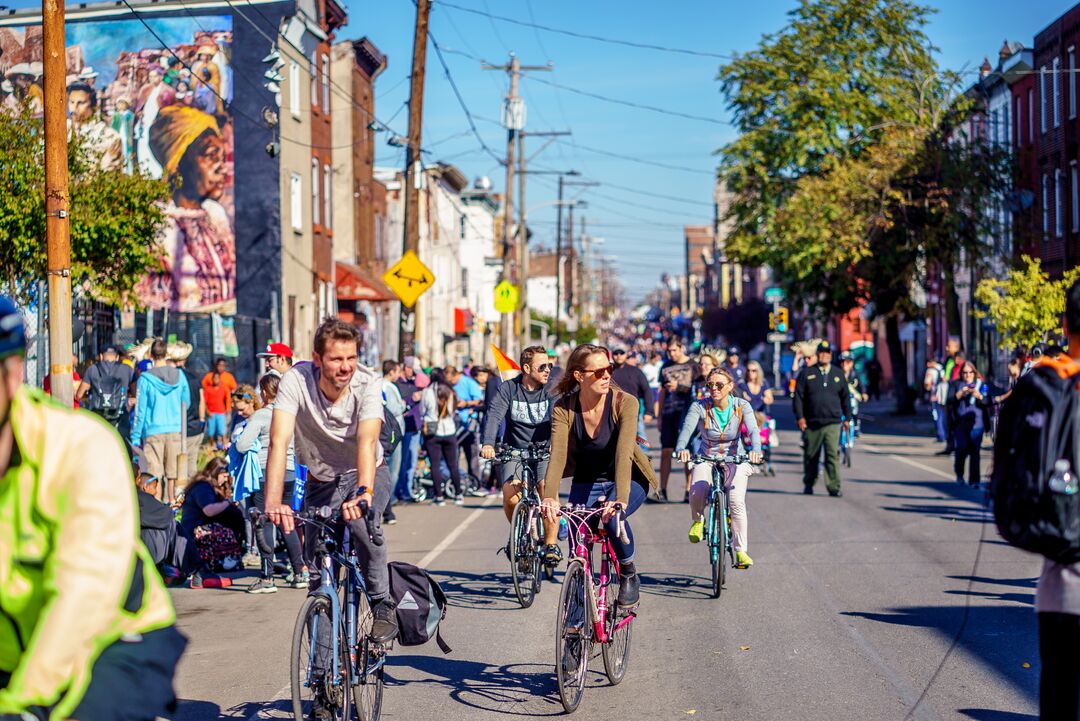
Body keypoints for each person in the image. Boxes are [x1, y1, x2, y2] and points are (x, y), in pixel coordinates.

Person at [0, 296, 185, 721]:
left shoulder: (78, 447)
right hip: (15, 646)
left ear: (12, 376)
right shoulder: (141, 374)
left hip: (112, 636)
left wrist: (23, 706)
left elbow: (82, 594)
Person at [264, 318, 398, 646]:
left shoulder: (367, 382)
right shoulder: (295, 379)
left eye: (351, 358)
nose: (345, 367)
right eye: (337, 359)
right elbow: (278, 441)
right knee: (318, 571)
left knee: (363, 525)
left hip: (365, 471)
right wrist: (272, 500)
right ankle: (324, 680)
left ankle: (382, 601)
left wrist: (364, 492)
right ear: (317, 358)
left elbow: (367, 441)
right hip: (321, 480)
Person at [542, 344, 658, 607]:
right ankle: (577, 612)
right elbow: (557, 455)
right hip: (587, 479)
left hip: (627, 476)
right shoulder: (564, 408)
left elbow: (623, 453)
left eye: (609, 369)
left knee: (613, 519)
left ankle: (628, 573)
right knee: (577, 541)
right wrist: (550, 498)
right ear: (579, 375)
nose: (607, 375)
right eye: (599, 371)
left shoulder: (625, 402)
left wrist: (618, 499)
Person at [675, 367, 762, 568]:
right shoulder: (699, 406)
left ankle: (740, 551)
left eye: (719, 385)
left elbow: (753, 431)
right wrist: (681, 448)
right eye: (710, 385)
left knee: (736, 500)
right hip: (706, 457)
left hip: (736, 458)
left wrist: (756, 450)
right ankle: (698, 521)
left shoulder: (742, 406)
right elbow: (686, 430)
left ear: (730, 387)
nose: (714, 389)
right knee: (697, 490)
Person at [480, 345, 560, 563]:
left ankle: (551, 545)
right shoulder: (509, 388)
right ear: (526, 368)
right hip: (514, 450)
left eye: (549, 365)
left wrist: (556, 442)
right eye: (542, 366)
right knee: (512, 497)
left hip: (544, 450)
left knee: (547, 493)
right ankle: (520, 531)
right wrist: (488, 443)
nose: (547, 370)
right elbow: (494, 415)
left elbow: (558, 418)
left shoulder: (551, 388)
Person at [232, 378, 305, 593]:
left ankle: (267, 577)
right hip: (290, 472)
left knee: (264, 524)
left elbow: (243, 444)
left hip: (266, 474)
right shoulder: (292, 415)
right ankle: (300, 571)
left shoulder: (262, 415)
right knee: (287, 522)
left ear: (264, 391)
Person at [131, 338, 192, 505]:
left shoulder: (145, 379)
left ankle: (156, 504)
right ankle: (172, 501)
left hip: (153, 430)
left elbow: (140, 410)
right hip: (175, 429)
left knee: (154, 472)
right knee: (172, 472)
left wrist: (136, 435)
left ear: (151, 355)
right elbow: (186, 402)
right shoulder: (179, 376)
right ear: (166, 354)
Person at [793, 341, 851, 497]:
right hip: (812, 423)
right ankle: (809, 483)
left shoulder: (838, 374)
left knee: (832, 455)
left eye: (827, 352)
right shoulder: (807, 373)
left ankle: (834, 486)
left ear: (831, 355)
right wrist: (800, 417)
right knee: (811, 455)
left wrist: (848, 418)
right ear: (817, 354)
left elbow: (845, 397)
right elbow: (798, 398)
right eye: (821, 352)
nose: (824, 355)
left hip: (833, 422)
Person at [179, 457, 246, 579]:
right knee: (230, 519)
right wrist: (228, 501)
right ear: (216, 472)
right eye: (224, 476)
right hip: (195, 529)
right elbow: (209, 510)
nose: (226, 480)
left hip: (201, 526)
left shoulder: (209, 486)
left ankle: (230, 557)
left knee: (234, 514)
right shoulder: (202, 487)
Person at [136, 471, 198, 584]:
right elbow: (164, 516)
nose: (156, 492)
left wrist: (170, 508)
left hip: (140, 548)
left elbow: (157, 513)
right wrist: (173, 508)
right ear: (145, 487)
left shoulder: (133, 498)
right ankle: (196, 569)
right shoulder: (144, 498)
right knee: (175, 525)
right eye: (154, 487)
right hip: (148, 550)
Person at [657, 337, 699, 502]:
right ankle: (662, 490)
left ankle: (689, 490)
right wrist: (659, 415)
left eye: (674, 350)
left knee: (686, 452)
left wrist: (679, 387)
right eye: (669, 350)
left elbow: (698, 389)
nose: (671, 353)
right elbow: (661, 391)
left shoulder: (693, 366)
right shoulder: (666, 366)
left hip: (686, 412)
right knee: (666, 450)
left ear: (682, 348)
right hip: (668, 412)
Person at [422, 369, 463, 506]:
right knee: (453, 465)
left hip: (433, 431)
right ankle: (458, 494)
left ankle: (439, 496)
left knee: (435, 465)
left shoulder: (427, 392)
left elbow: (423, 410)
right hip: (449, 430)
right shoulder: (450, 391)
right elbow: (453, 410)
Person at [947, 361, 991, 486]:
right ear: (961, 373)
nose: (968, 375)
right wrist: (961, 393)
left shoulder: (982, 385)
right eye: (965, 373)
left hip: (977, 423)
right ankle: (959, 474)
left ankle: (975, 480)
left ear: (974, 372)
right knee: (961, 449)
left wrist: (979, 396)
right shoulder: (956, 384)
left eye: (970, 372)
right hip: (960, 424)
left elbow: (988, 400)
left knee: (975, 452)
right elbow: (949, 400)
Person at [78, 345, 135, 436]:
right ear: (117, 357)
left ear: (101, 356)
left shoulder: (92, 369)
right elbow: (135, 392)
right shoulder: (128, 370)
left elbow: (79, 395)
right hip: (120, 419)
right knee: (123, 446)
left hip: (98, 420)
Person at [171, 341, 206, 482]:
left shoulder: (173, 378)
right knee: (191, 467)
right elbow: (202, 400)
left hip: (180, 428)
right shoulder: (194, 377)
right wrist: (202, 420)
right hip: (196, 426)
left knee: (176, 468)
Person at [394, 356, 427, 502]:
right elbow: (397, 404)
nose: (414, 374)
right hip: (404, 428)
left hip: (416, 428)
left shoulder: (416, 382)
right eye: (413, 370)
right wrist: (411, 400)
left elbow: (426, 380)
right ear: (406, 367)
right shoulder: (397, 385)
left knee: (412, 462)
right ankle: (399, 491)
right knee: (402, 462)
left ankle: (407, 491)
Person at [447, 365, 483, 482]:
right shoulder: (450, 385)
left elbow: (479, 400)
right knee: (454, 455)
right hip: (454, 424)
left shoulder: (469, 382)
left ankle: (475, 482)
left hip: (469, 424)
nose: (451, 382)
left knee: (472, 455)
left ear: (456, 375)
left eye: (451, 380)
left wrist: (466, 404)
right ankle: (457, 482)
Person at [381, 360, 406, 525]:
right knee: (392, 472)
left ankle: (386, 504)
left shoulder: (381, 386)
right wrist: (404, 404)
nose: (399, 375)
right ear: (391, 372)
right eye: (397, 371)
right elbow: (394, 409)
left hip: (387, 434)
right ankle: (387, 504)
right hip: (392, 434)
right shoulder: (388, 387)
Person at [611, 347, 654, 439]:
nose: (618, 356)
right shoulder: (608, 371)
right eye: (616, 353)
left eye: (621, 353)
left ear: (626, 354)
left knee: (639, 439)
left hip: (633, 413)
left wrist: (649, 412)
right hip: (612, 414)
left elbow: (646, 390)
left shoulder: (636, 371)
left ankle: (642, 453)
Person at [840, 351, 867, 434]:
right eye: (842, 361)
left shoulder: (854, 374)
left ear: (851, 363)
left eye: (847, 361)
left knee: (854, 410)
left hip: (852, 397)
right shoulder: (837, 373)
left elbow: (861, 384)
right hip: (841, 397)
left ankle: (856, 426)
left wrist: (863, 393)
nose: (845, 364)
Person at [202, 371, 231, 450]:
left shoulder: (223, 388)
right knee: (211, 432)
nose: (216, 380)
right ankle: (212, 447)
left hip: (221, 413)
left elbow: (227, 398)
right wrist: (207, 411)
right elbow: (204, 402)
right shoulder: (208, 389)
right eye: (214, 378)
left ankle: (224, 447)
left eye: (217, 378)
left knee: (222, 431)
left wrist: (227, 409)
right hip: (211, 413)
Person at [924, 359, 948, 443]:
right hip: (943, 396)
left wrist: (928, 387)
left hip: (935, 396)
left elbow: (927, 385)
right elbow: (945, 380)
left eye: (928, 362)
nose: (927, 364)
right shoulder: (941, 368)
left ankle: (940, 435)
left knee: (936, 416)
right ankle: (944, 434)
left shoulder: (930, 371)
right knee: (942, 415)